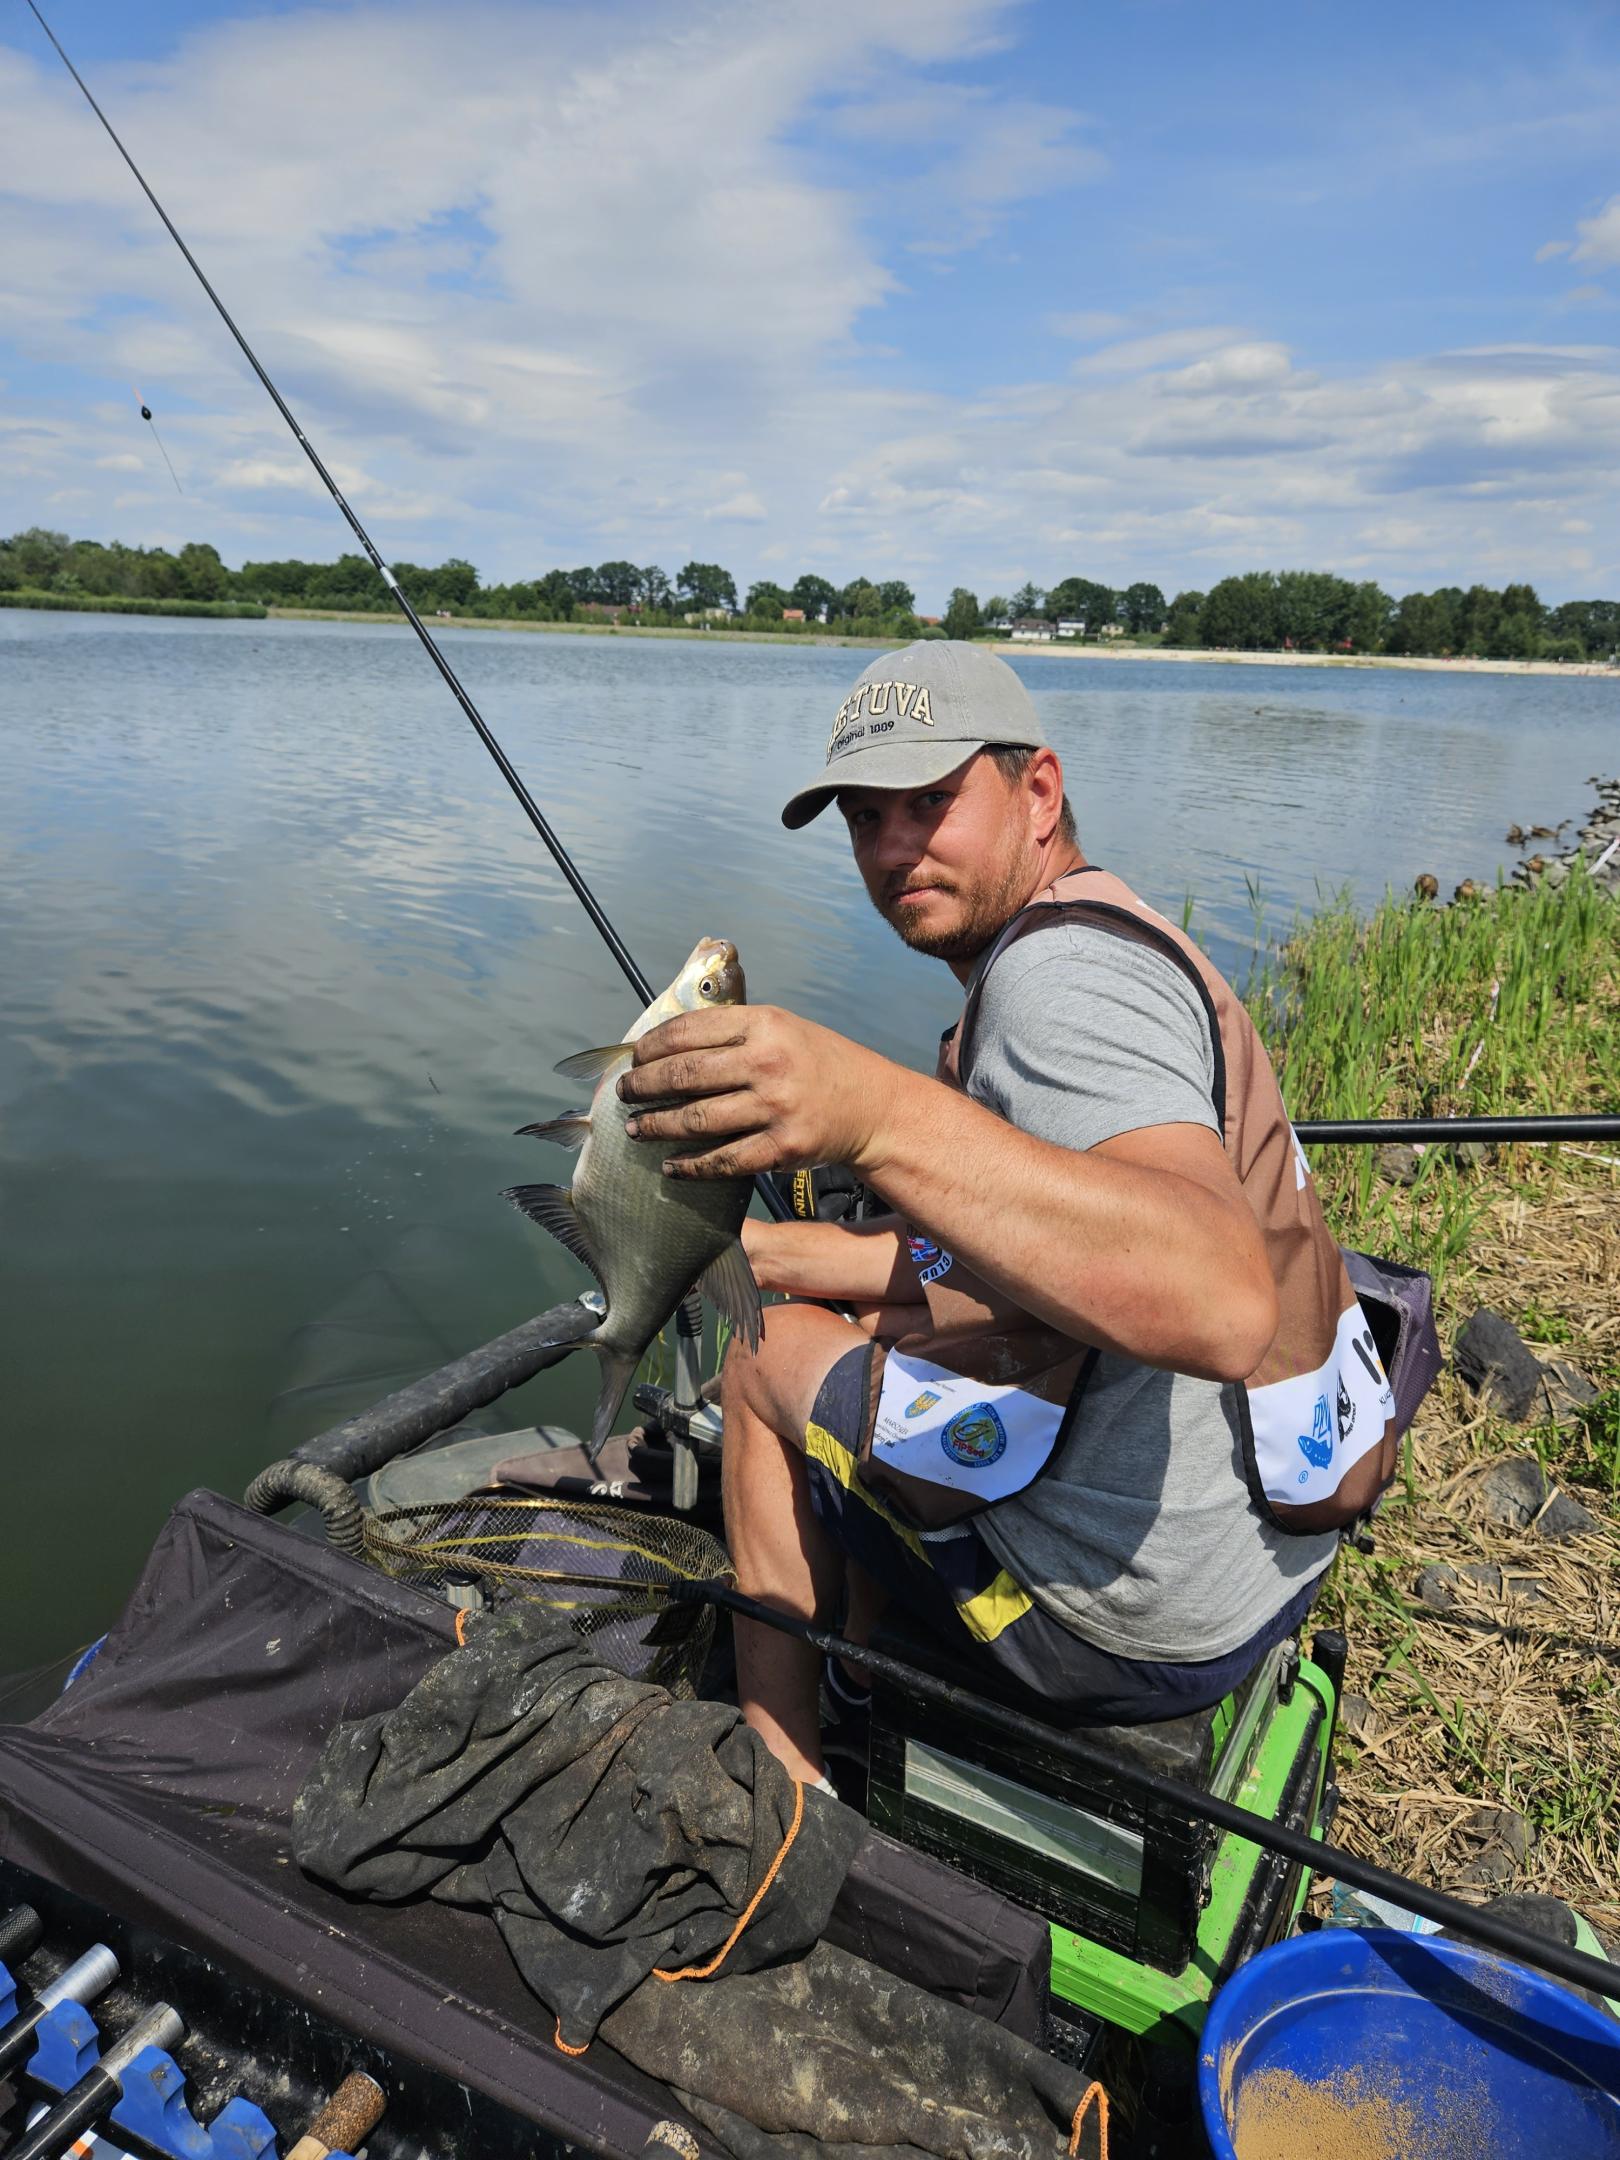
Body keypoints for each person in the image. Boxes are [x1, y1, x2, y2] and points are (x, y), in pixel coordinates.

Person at [616, 641, 1393, 1787]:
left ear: (1038, 792)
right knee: (850, 1322)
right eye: (865, 818)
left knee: (758, 1355)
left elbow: (1223, 1302)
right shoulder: (1107, 926)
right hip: (1265, 1566)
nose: (892, 849)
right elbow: (1011, 1251)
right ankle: (867, 1671)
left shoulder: (1056, 986)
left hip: (1121, 1620)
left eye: (930, 802)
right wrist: (768, 1248)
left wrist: (874, 1114)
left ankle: (781, 1781)